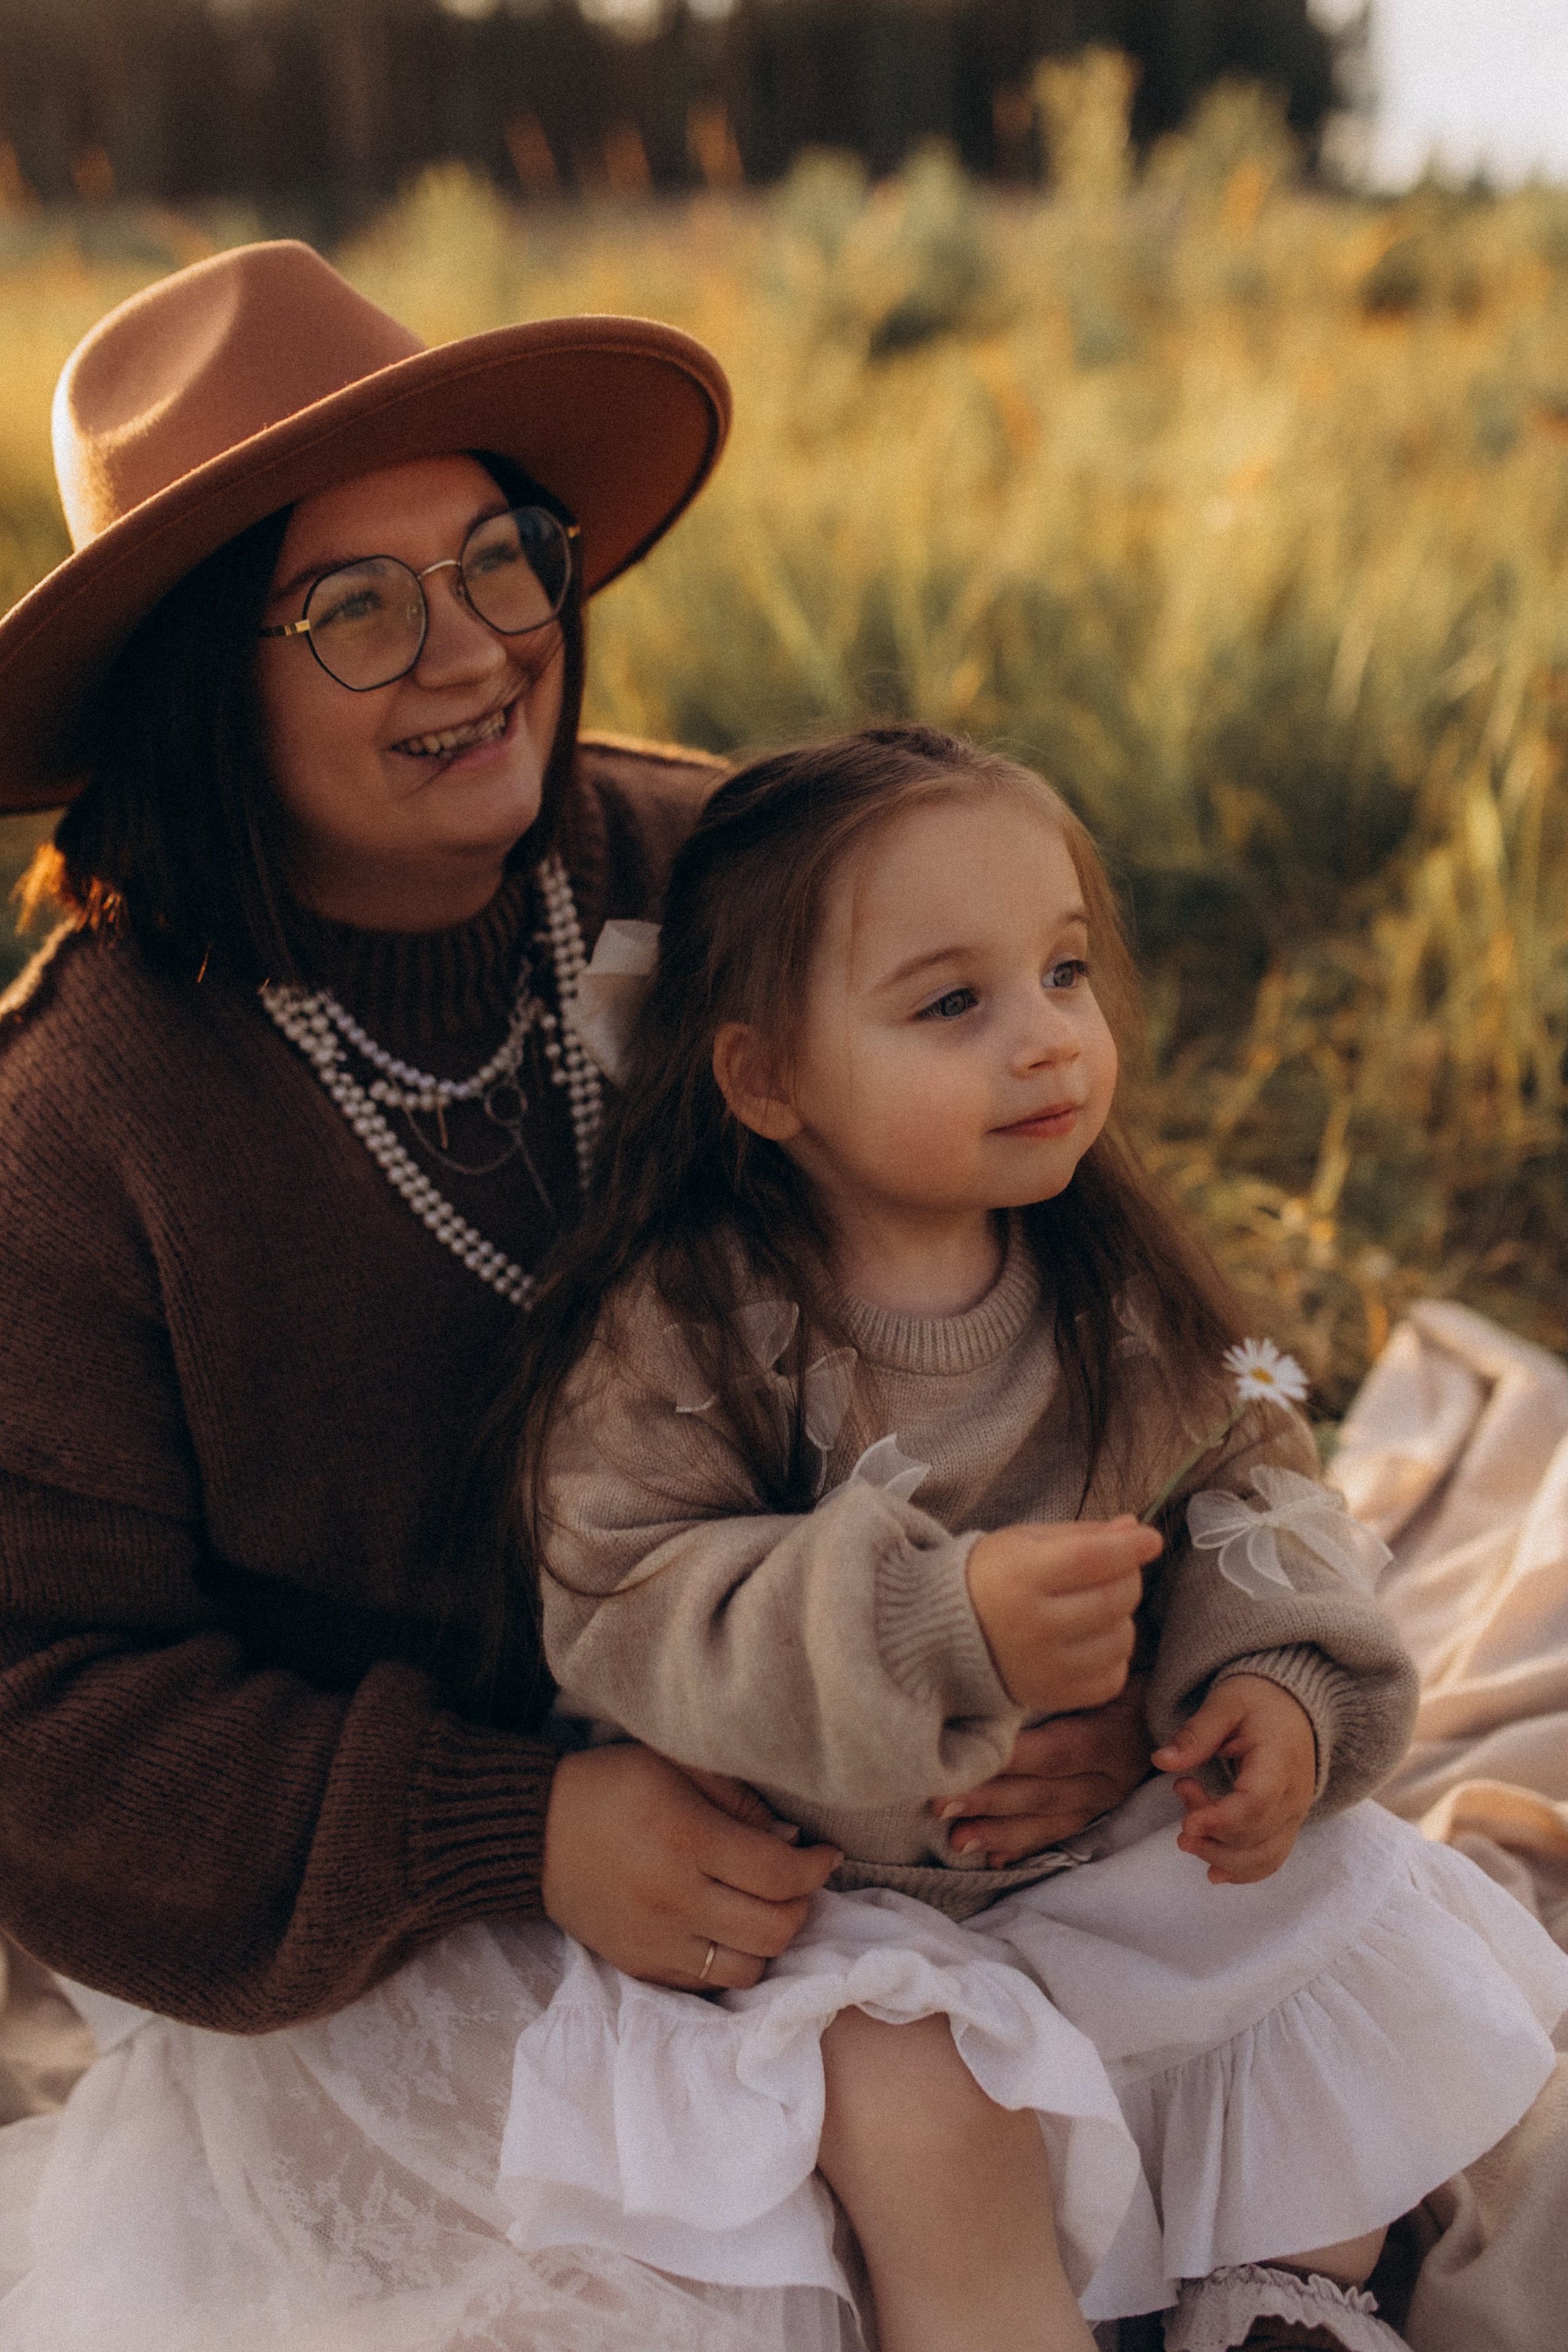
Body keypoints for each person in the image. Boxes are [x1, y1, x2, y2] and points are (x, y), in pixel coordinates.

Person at [0, 248, 1152, 2350]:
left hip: (881, 1748)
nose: (472, 650)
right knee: (713, 2268)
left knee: (1305, 1969)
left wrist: (1107, 1692)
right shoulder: (83, 1127)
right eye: (356, 609)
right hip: (414, 1887)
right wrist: (510, 1827)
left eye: (498, 560)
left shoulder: (713, 868)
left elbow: (1069, 1251)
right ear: (200, 678)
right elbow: (42, 1715)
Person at [483, 726, 1568, 2352]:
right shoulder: (700, 1323)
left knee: (1330, 1922)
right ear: (767, 1078)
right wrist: (941, 1620)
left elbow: (1254, 1479)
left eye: (1065, 972)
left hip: (1100, 1844)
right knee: (933, 2138)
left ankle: (1288, 2295)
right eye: (952, 1005)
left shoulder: (1112, 1289)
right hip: (828, 1902)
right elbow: (630, 1596)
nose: (1049, 1041)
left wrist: (1273, 1687)